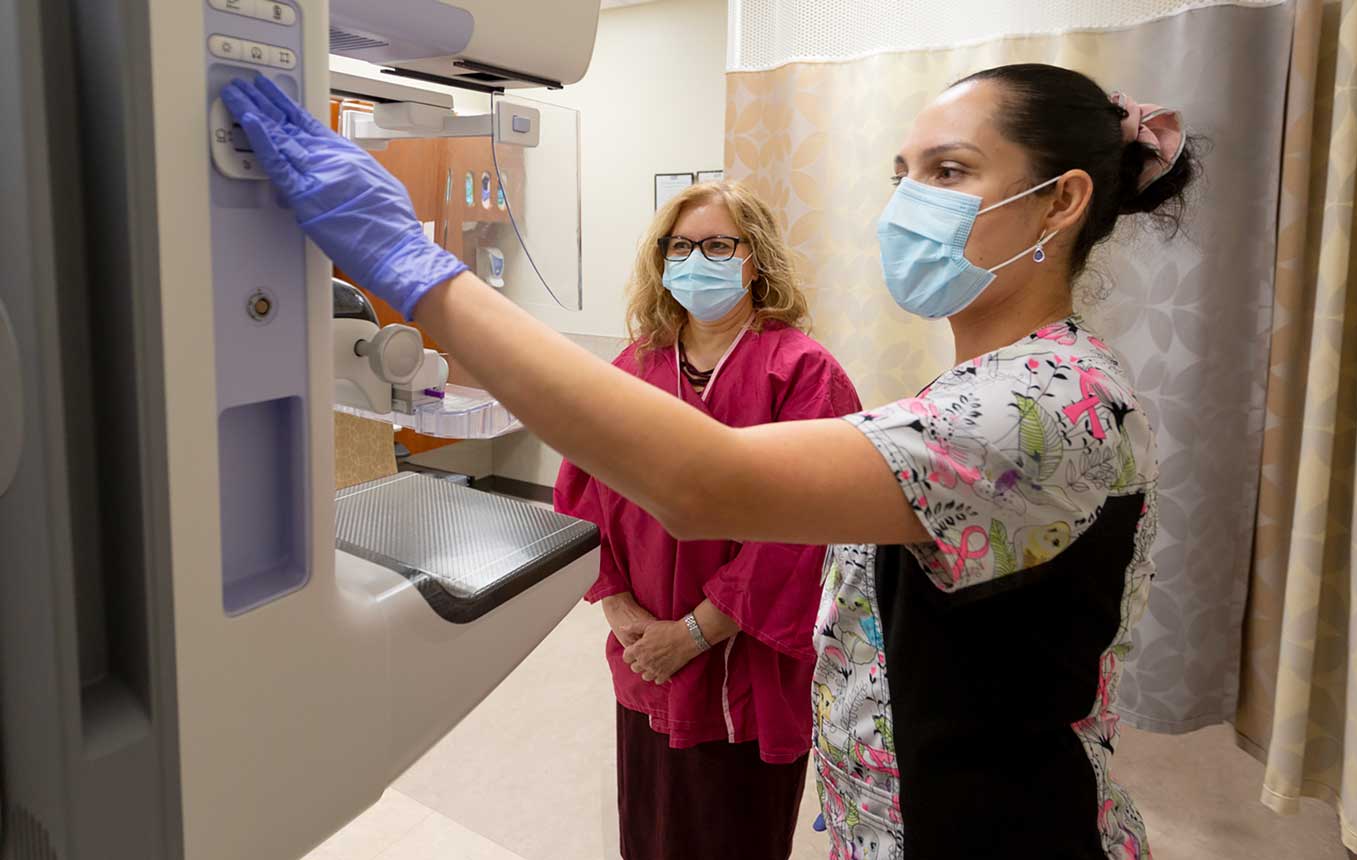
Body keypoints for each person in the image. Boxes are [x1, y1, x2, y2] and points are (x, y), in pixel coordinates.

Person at [223, 59, 1199, 858]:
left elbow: (703, 483)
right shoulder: (1008, 386)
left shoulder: (1035, 409)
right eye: (902, 173)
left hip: (1000, 827)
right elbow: (596, 490)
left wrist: (411, 266)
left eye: (948, 172)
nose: (909, 201)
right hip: (923, 800)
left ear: (1059, 201)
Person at [551, 181, 860, 859]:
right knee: (652, 825)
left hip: (744, 662)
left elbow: (806, 530)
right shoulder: (634, 367)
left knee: (731, 830)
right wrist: (618, 605)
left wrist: (694, 632)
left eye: (719, 245)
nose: (699, 259)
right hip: (645, 652)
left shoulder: (803, 372)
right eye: (682, 246)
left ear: (756, 260)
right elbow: (581, 490)